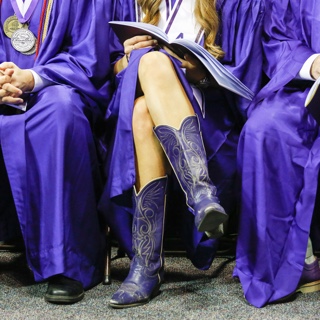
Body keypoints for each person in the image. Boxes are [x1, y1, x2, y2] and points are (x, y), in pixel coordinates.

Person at [99, 0, 264, 308]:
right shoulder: (130, 2)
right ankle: (201, 194)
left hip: (210, 125)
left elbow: (248, 80)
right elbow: (106, 69)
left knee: (146, 97)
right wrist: (126, 59)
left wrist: (199, 73)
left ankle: (147, 263)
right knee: (144, 99)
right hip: (135, 125)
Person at [0, 0, 112, 304]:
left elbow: (91, 58)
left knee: (59, 111)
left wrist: (31, 78)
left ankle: (65, 261)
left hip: (58, 88)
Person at [234, 0, 320, 308]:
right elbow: (279, 37)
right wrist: (312, 64)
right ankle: (291, 260)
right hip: (305, 92)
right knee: (263, 129)